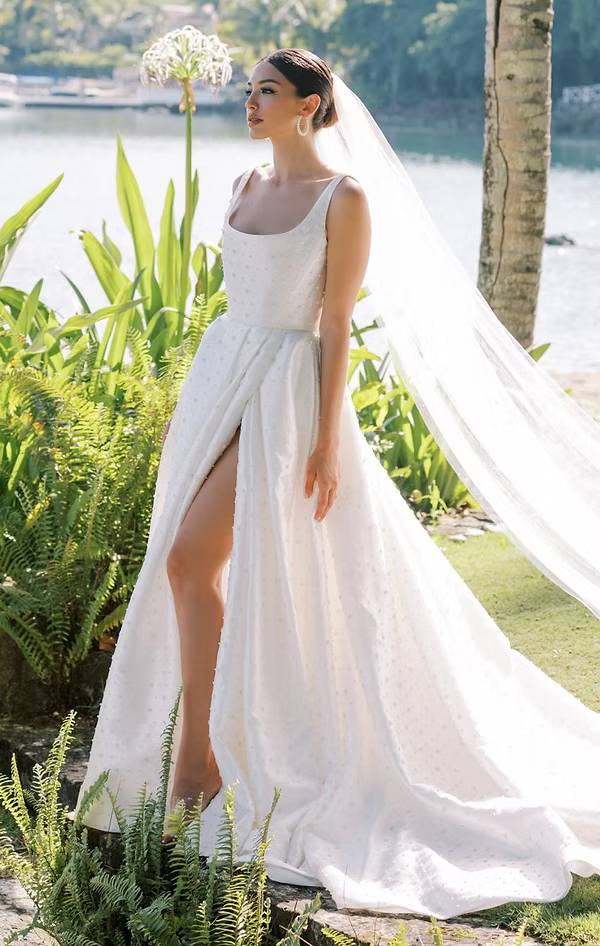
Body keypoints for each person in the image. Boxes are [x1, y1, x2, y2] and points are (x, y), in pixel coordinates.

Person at [73, 48, 600, 920]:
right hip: (222, 381)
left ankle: (199, 762)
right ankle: (202, 751)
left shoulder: (342, 201)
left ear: (313, 107)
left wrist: (323, 439)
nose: (250, 104)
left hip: (284, 398)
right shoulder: (242, 185)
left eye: (268, 93)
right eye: (248, 92)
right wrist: (187, 408)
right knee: (185, 563)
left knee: (187, 560)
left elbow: (335, 321)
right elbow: (233, 302)